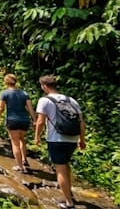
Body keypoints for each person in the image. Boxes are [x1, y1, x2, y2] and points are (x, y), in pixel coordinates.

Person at [34, 75, 85, 209]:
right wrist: (82, 139)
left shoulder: (44, 100)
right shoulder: (71, 100)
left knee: (60, 169)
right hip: (72, 138)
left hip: (56, 139)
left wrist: (37, 136)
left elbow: (40, 121)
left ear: (44, 86)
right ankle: (70, 193)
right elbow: (81, 122)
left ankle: (68, 202)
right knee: (66, 165)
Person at [0, 74, 35, 174]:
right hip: (24, 120)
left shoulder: (5, 93)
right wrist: (35, 120)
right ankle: (24, 160)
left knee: (15, 143)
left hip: (12, 120)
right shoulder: (24, 94)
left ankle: (20, 167)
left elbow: (1, 108)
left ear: (6, 82)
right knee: (22, 139)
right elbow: (30, 109)